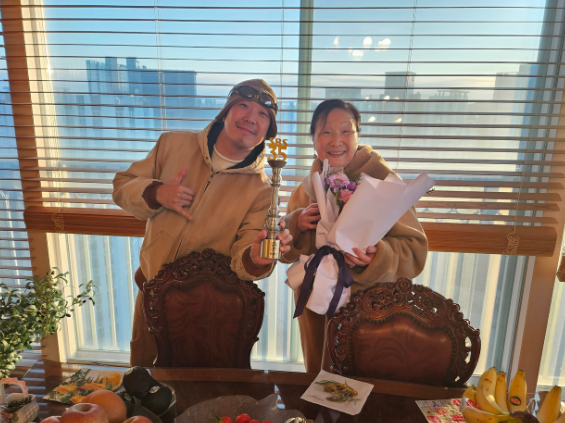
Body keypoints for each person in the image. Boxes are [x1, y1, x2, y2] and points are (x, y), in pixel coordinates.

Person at [113, 79, 292, 367]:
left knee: (207, 389)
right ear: (225, 112)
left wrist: (255, 258)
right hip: (151, 296)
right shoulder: (172, 145)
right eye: (243, 106)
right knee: (145, 382)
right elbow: (122, 186)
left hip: (211, 313)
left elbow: (245, 257)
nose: (251, 118)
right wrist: (156, 192)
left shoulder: (261, 191)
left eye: (263, 114)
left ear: (268, 132)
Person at [281, 99, 428, 373]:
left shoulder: (385, 182)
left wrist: (379, 256)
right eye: (326, 131)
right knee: (318, 380)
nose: (336, 140)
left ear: (358, 135)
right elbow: (284, 250)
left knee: (359, 385)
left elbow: (415, 249)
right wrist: (296, 223)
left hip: (368, 308)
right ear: (313, 139)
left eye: (346, 131)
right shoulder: (307, 188)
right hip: (314, 304)